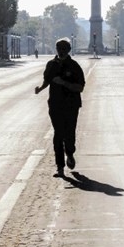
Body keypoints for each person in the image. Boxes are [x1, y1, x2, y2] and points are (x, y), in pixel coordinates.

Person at [35, 38, 85, 177]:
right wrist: (40, 88)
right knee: (58, 134)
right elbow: (47, 80)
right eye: (59, 49)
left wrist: (64, 83)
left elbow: (80, 87)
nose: (61, 51)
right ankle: (60, 167)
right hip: (55, 104)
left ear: (68, 50)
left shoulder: (74, 66)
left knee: (69, 133)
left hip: (71, 104)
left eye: (64, 49)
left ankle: (69, 152)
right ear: (56, 49)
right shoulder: (51, 65)